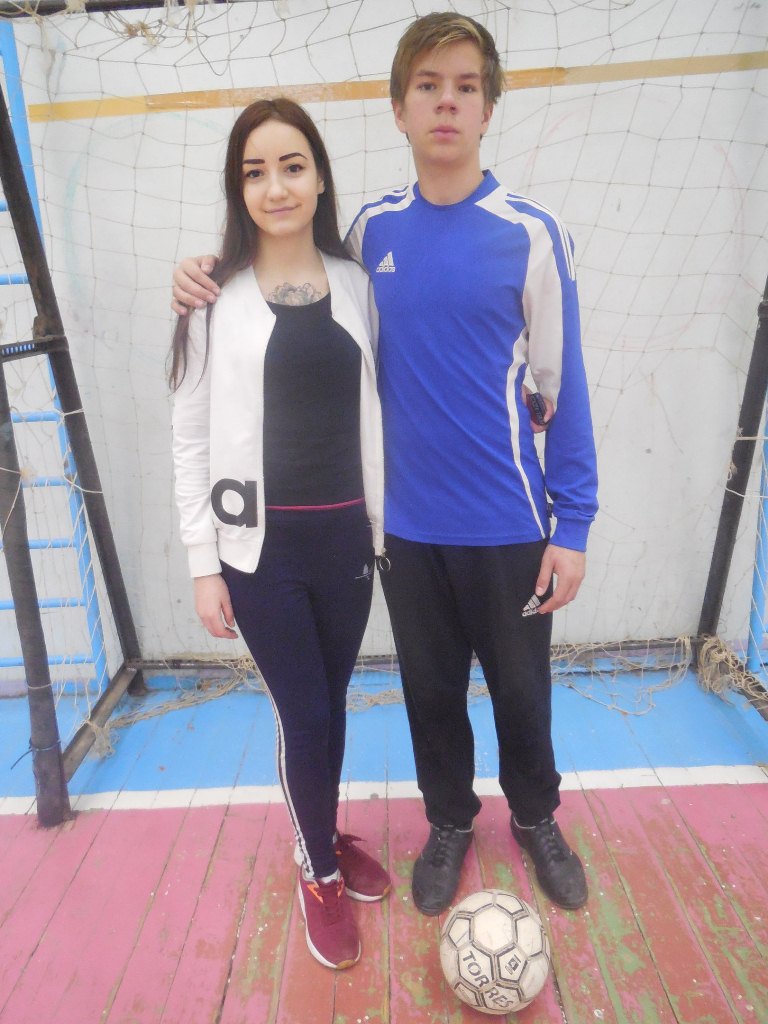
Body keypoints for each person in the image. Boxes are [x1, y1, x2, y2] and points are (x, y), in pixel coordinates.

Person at [171, 14, 598, 917]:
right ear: (398, 108)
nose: (447, 102)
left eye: (466, 86)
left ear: (487, 107)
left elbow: (563, 392)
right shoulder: (369, 237)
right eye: (428, 86)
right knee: (429, 694)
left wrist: (576, 524)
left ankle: (536, 817)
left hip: (511, 523)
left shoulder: (532, 234)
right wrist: (206, 270)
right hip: (402, 527)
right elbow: (288, 276)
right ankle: (448, 822)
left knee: (523, 694)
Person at [169, 98, 390, 972]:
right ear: (239, 189)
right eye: (254, 172)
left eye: (291, 165)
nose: (276, 186)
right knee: (302, 711)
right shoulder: (208, 298)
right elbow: (188, 438)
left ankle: (320, 830)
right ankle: (319, 871)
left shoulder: (359, 284)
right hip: (259, 554)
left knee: (330, 705)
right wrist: (202, 565)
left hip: (347, 545)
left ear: (320, 176)